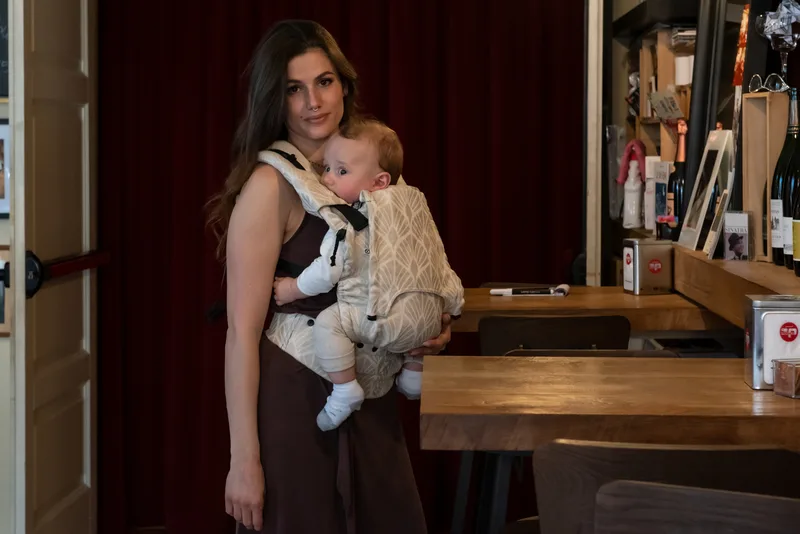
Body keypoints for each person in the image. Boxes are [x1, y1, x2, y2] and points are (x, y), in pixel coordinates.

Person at [205, 19, 451, 534]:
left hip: (371, 394)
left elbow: (411, 271)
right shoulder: (270, 185)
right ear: (276, 99)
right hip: (297, 398)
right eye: (294, 88)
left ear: (344, 85)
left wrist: (430, 326)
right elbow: (241, 334)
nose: (312, 102)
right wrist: (243, 459)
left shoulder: (375, 170)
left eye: (323, 81)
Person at [269, 118, 464, 431]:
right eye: (326, 168)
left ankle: (344, 389)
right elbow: (438, 262)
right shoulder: (416, 215)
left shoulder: (354, 219)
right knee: (419, 313)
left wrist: (292, 288)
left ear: (379, 182)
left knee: (330, 323)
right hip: (426, 325)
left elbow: (329, 269)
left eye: (341, 171)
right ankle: (414, 373)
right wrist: (449, 310)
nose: (328, 179)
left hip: (379, 320)